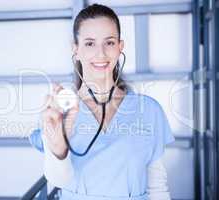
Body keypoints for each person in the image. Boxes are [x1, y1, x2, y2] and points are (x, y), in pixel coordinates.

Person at [29, 4, 175, 200]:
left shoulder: (149, 110)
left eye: (109, 42)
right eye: (90, 43)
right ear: (76, 50)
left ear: (120, 47)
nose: (101, 54)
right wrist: (59, 149)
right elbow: (58, 181)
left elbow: (157, 187)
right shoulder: (59, 111)